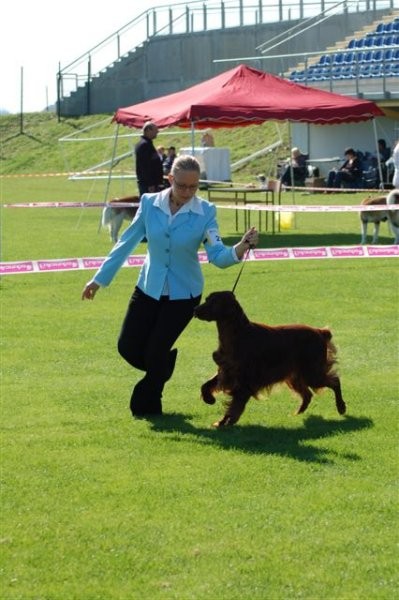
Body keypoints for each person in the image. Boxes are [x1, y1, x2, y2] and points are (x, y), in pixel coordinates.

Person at [81, 155, 259, 419]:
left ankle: (149, 408)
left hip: (184, 294)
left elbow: (218, 256)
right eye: (182, 186)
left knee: (155, 350)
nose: (188, 192)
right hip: (148, 288)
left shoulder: (205, 212)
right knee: (127, 347)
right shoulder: (149, 203)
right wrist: (98, 279)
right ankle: (163, 367)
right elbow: (126, 243)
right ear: (170, 179)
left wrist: (241, 247)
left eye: (194, 187)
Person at [134, 121, 164, 196]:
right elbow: (145, 166)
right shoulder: (144, 145)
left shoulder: (147, 144)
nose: (157, 131)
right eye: (155, 129)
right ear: (148, 130)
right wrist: (150, 184)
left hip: (151, 183)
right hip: (148, 185)